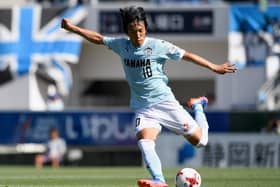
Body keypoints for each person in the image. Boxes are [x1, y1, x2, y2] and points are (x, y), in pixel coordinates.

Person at [61, 6, 236, 187]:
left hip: (166, 103)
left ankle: (198, 106)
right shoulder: (122, 46)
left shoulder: (158, 46)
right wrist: (73, 28)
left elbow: (187, 55)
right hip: (143, 108)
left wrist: (214, 67)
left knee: (201, 142)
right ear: (126, 31)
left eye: (141, 30)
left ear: (145, 28)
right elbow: (98, 38)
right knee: (145, 142)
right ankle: (159, 180)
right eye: (133, 31)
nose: (138, 35)